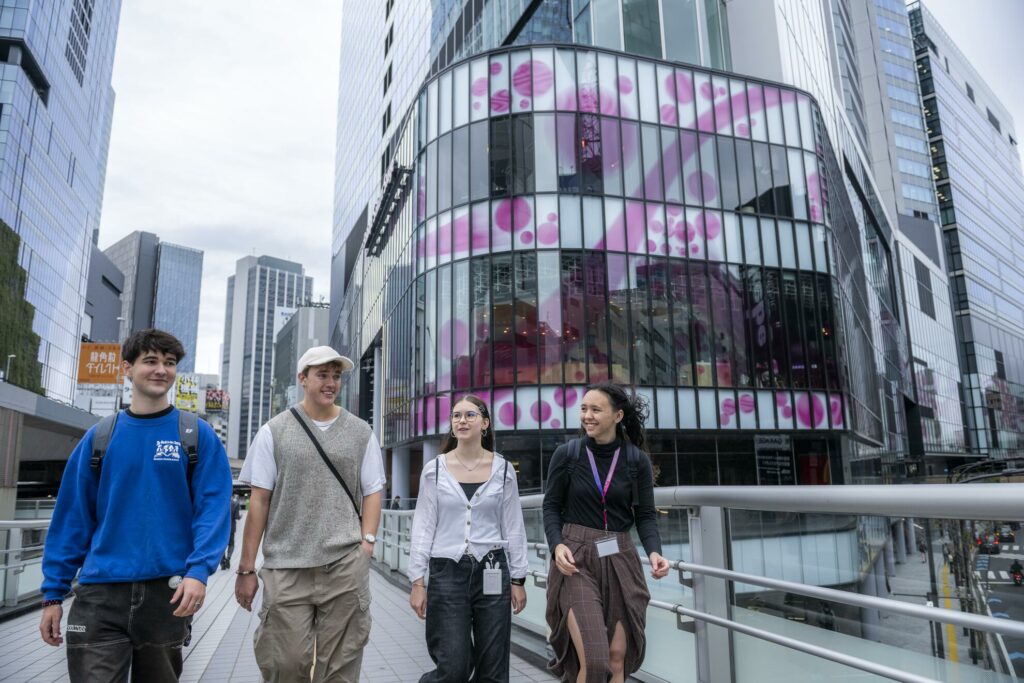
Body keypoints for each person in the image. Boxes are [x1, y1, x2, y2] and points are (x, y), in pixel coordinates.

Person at [38, 329, 232, 682]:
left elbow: (213, 509)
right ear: (127, 368)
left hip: (167, 595)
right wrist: (53, 594)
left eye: (170, 363)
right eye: (151, 361)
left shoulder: (195, 435)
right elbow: (72, 518)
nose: (161, 370)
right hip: (100, 595)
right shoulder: (99, 437)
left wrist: (199, 571)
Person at [235, 346, 385, 683]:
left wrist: (367, 545)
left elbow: (373, 491)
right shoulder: (274, 431)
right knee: (284, 664)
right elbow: (259, 501)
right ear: (303, 379)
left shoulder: (361, 432)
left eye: (336, 376)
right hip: (287, 568)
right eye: (322, 375)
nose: (331, 382)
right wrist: (246, 568)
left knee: (341, 668)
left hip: (345, 565)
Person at [543, 382, 670, 683]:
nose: (587, 415)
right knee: (596, 660)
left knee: (616, 659)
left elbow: (646, 516)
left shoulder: (636, 460)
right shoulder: (567, 455)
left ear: (617, 416)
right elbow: (550, 507)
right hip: (576, 560)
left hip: (620, 558)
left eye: (595, 409)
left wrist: (654, 552)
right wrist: (557, 545)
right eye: (584, 409)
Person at [408, 395, 528, 682]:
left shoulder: (503, 470)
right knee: (454, 665)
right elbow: (423, 527)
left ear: (485, 423)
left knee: (493, 667)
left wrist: (518, 579)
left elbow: (513, 526)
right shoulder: (434, 470)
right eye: (456, 415)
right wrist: (417, 582)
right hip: (447, 571)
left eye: (470, 415)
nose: (462, 420)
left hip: (493, 569)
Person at [221, 493, 243, 570]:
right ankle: (228, 558)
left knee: (221, 545)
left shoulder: (220, 503)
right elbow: (237, 516)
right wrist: (240, 516)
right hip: (231, 527)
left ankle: (222, 562)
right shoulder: (235, 504)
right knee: (231, 544)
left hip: (221, 528)